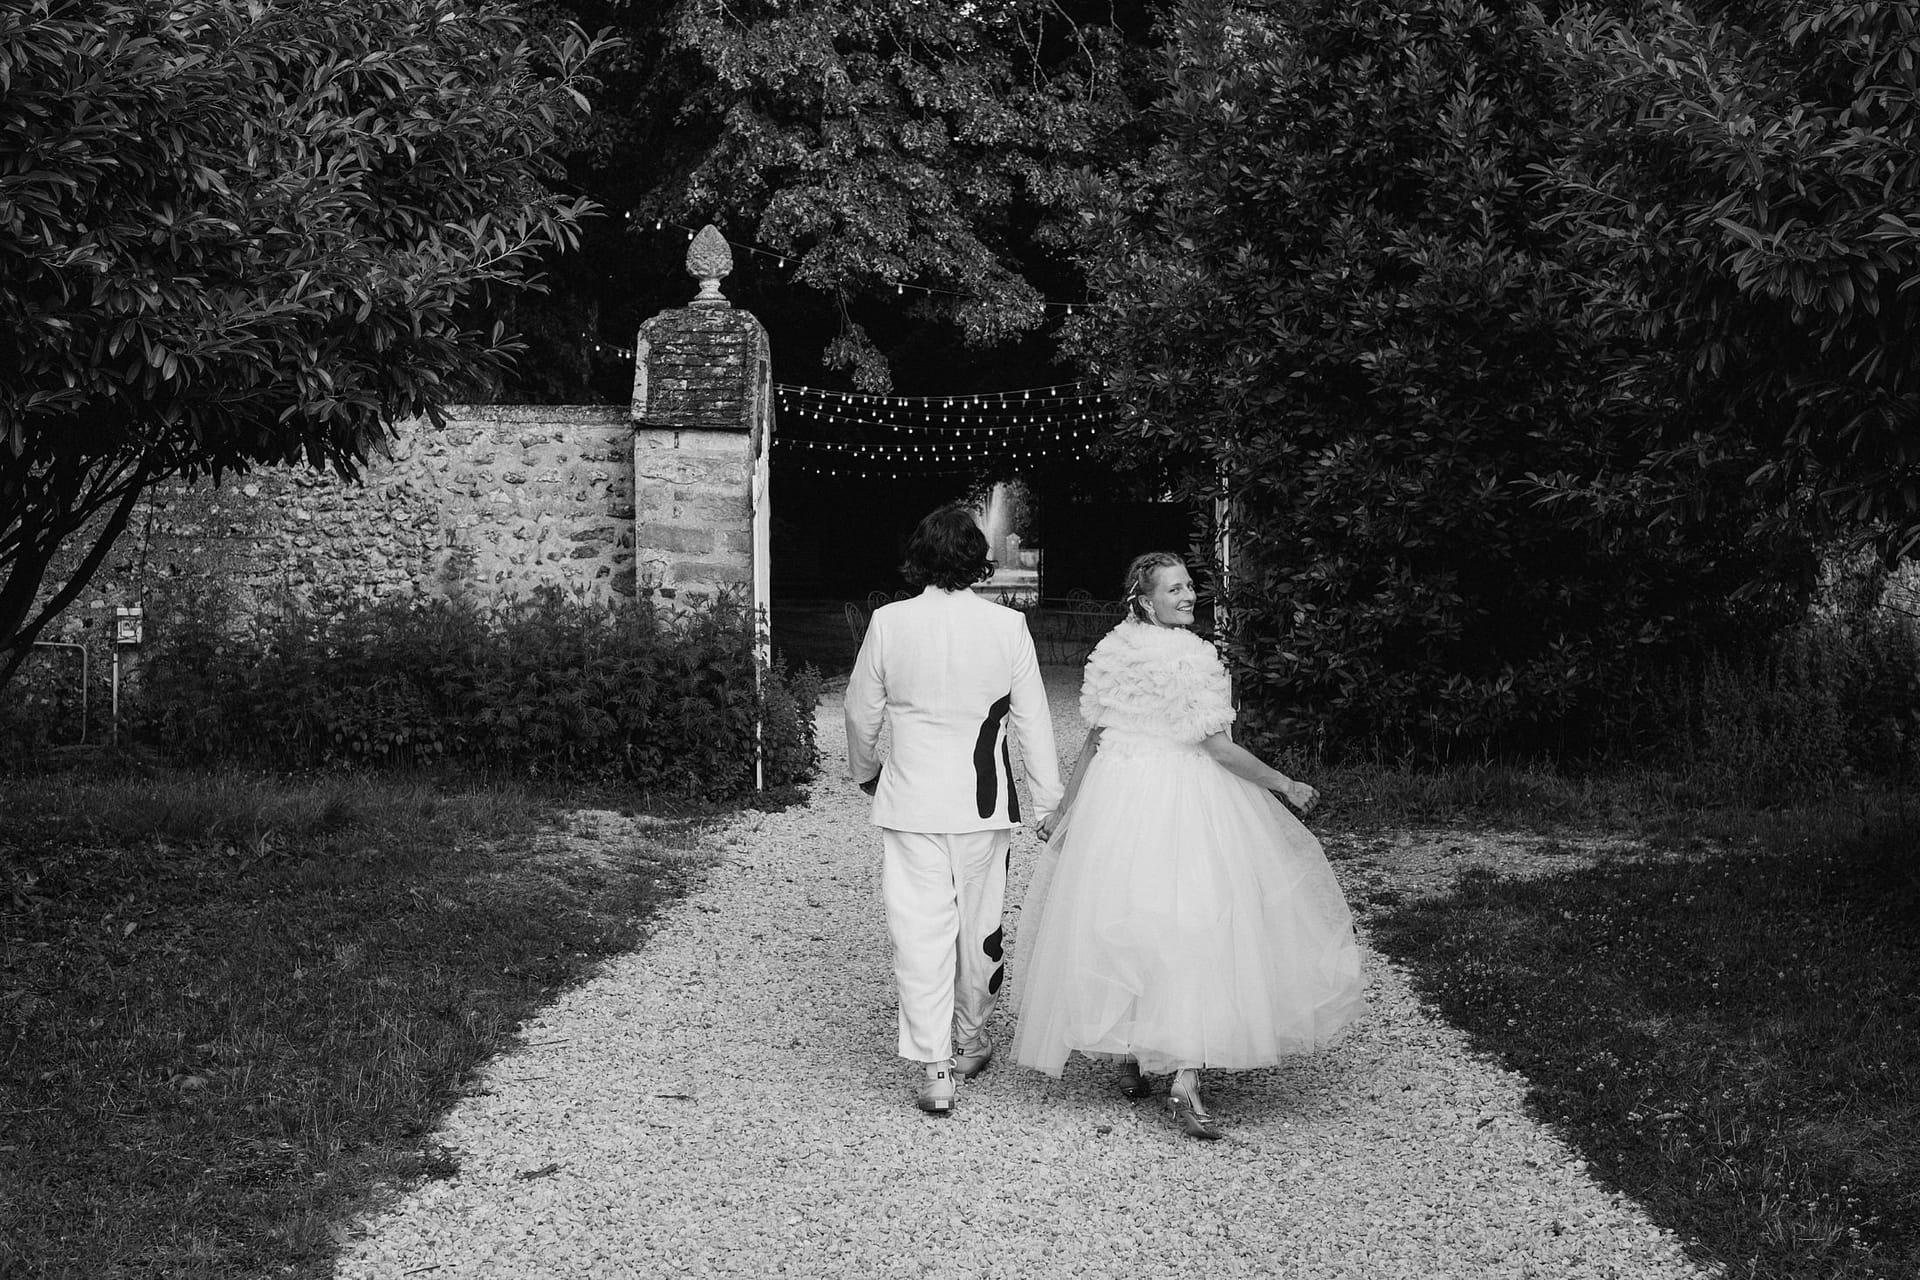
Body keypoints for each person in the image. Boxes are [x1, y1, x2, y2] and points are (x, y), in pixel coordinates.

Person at [1010, 551, 1364, 1139]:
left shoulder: (1113, 650)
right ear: (1146, 599)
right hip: (1181, 800)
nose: (1189, 595)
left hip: (1118, 802)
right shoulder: (1196, 656)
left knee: (1123, 920)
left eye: (1189, 587)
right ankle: (1183, 1077)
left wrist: (1068, 812)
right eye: (1175, 589)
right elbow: (1219, 750)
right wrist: (1284, 784)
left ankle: (1132, 1053)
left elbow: (1096, 743)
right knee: (1195, 925)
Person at [846, 505, 1063, 1115]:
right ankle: (969, 1039)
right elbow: (1033, 723)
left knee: (920, 932)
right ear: (977, 559)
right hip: (984, 802)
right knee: (980, 928)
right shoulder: (1007, 628)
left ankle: (934, 1066)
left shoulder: (888, 623)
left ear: (918, 557)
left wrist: (867, 772)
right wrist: (1047, 804)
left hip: (912, 799)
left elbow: (861, 711)